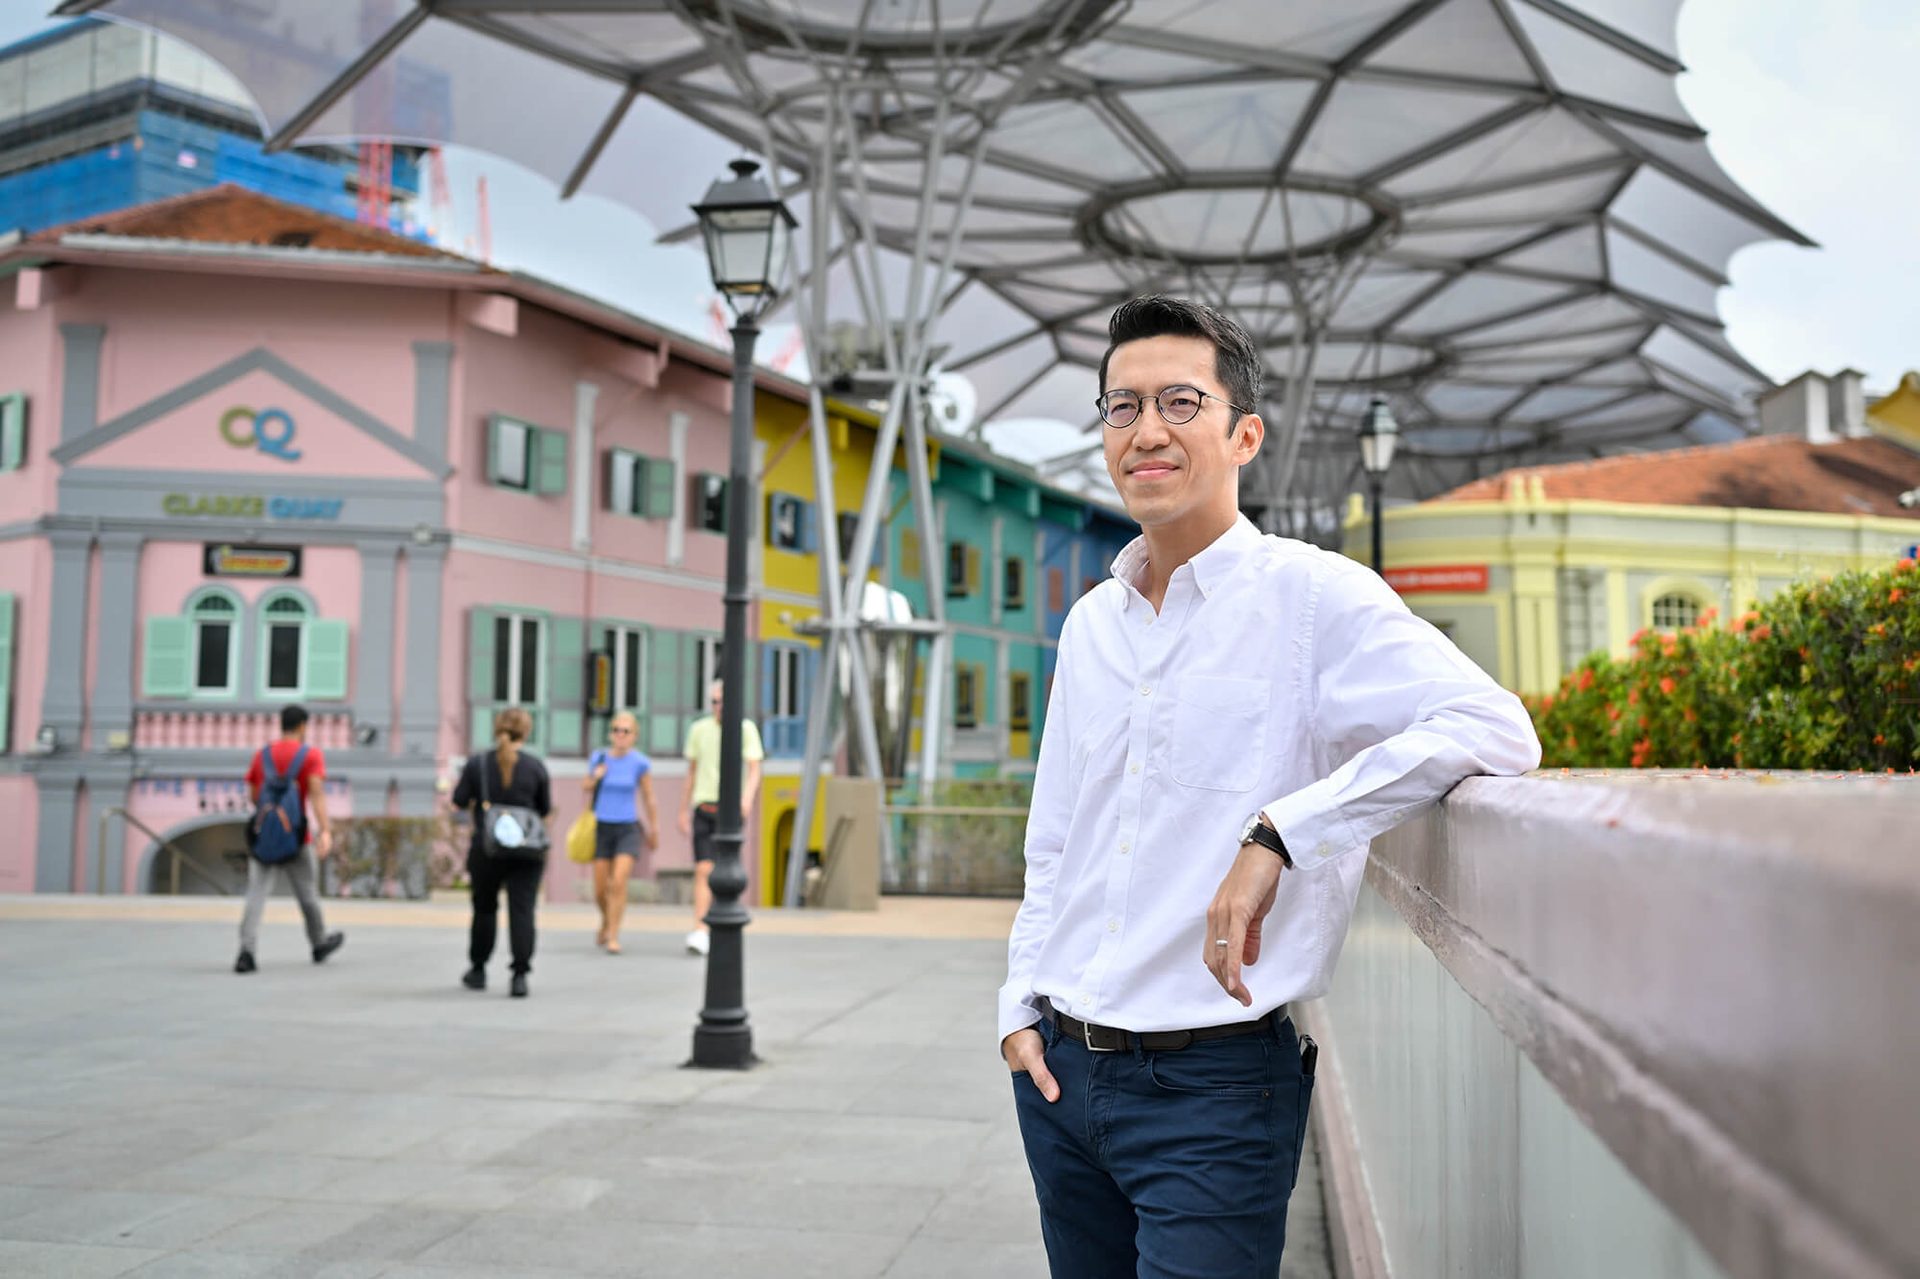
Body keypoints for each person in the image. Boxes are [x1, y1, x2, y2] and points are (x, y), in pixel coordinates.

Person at [999, 296, 1541, 1277]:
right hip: (1059, 1079)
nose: (1147, 430)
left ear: (1244, 432)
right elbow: (1056, 840)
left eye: (1179, 401)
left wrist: (1282, 832)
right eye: (1122, 407)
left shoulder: (1314, 596)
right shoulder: (1091, 625)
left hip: (1212, 1092)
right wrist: (1015, 1008)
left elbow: (1493, 726)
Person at [451, 707, 552, 998]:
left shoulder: (478, 764)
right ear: (527, 732)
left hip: (487, 849)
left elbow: (459, 800)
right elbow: (543, 808)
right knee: (523, 910)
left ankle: (478, 968)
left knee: (484, 909)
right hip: (527, 852)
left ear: (497, 729)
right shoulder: (535, 766)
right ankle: (519, 975)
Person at [236, 703, 344, 973]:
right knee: (307, 894)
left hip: (264, 839)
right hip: (297, 837)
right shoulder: (310, 756)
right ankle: (319, 944)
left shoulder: (262, 756)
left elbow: (252, 795)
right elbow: (316, 794)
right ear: (302, 726)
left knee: (256, 895)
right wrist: (325, 831)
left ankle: (246, 953)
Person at [677, 677, 762, 956]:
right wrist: (683, 808)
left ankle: (719, 921)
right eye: (714, 702)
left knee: (724, 870)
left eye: (723, 702)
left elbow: (754, 768)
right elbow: (691, 772)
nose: (719, 707)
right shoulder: (699, 730)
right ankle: (701, 928)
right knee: (703, 868)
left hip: (730, 809)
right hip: (704, 805)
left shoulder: (745, 729)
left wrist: (746, 799)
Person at [585, 710, 659, 954]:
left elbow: (648, 797)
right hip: (603, 825)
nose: (620, 735)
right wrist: (596, 777)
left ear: (634, 736)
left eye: (625, 731)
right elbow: (585, 786)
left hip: (627, 826)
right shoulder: (599, 758)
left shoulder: (640, 763)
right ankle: (605, 920)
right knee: (599, 888)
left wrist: (653, 828)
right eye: (616, 730)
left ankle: (614, 934)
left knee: (618, 882)